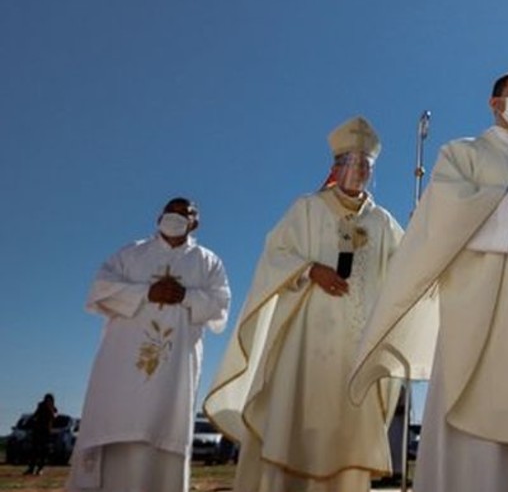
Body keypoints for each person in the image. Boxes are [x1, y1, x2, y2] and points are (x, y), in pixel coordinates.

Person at [350, 71, 508, 492]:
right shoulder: (462, 153)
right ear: (495, 103)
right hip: (481, 307)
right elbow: (441, 215)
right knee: (478, 414)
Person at [205, 116, 404, 491]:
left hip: (356, 347)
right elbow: (275, 253)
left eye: (366, 165)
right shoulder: (308, 208)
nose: (358, 171)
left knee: (346, 428)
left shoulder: (382, 222)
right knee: (295, 420)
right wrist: (310, 269)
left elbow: (405, 268)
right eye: (351, 162)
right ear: (335, 167)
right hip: (305, 340)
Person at [67, 198, 231, 491]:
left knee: (164, 433)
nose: (177, 216)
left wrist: (186, 297)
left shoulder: (208, 262)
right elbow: (99, 289)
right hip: (122, 370)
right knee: (118, 426)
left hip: (174, 372)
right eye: (172, 210)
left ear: (197, 223)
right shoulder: (132, 253)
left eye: (186, 212)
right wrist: (145, 292)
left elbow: (221, 306)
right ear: (159, 216)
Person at [23, 393, 57, 476]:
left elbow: (54, 417)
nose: (48, 401)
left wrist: (51, 409)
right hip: (38, 431)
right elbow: (35, 415)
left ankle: (40, 469)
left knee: (43, 451)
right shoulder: (40, 406)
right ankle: (31, 468)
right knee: (34, 450)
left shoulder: (53, 408)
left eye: (50, 400)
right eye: (47, 399)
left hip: (46, 432)